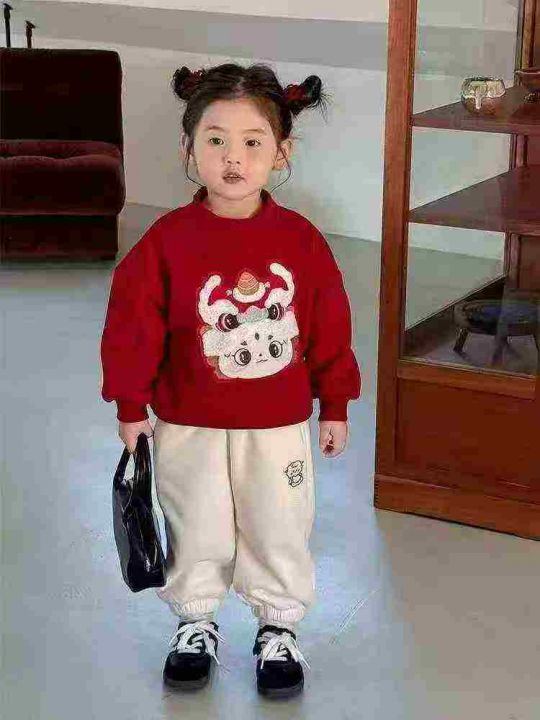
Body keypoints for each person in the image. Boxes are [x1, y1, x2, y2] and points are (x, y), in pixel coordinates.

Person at [100, 62, 361, 699]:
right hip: (187, 420)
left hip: (277, 425)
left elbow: (329, 326)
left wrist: (335, 403)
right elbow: (133, 328)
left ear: (281, 152)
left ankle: (278, 627)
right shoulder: (166, 241)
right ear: (189, 149)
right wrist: (131, 405)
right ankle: (195, 622)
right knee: (196, 522)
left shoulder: (301, 241)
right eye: (215, 140)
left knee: (278, 523)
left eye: (252, 142)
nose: (233, 157)